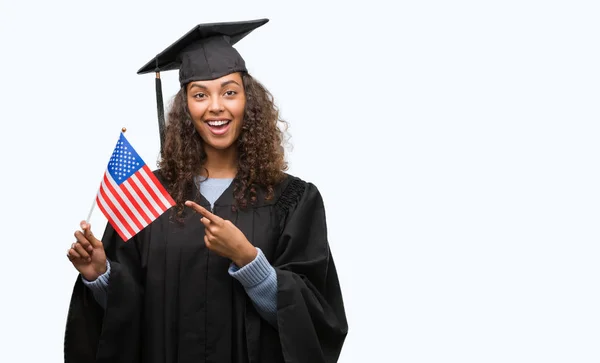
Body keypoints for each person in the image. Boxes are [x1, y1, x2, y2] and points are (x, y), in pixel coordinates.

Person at [63, 18, 348, 363]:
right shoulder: (146, 195)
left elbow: (315, 324)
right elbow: (128, 317)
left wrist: (248, 259)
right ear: (186, 108)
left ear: (249, 102)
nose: (215, 106)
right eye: (200, 94)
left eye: (229, 92)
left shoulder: (293, 200)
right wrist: (101, 276)